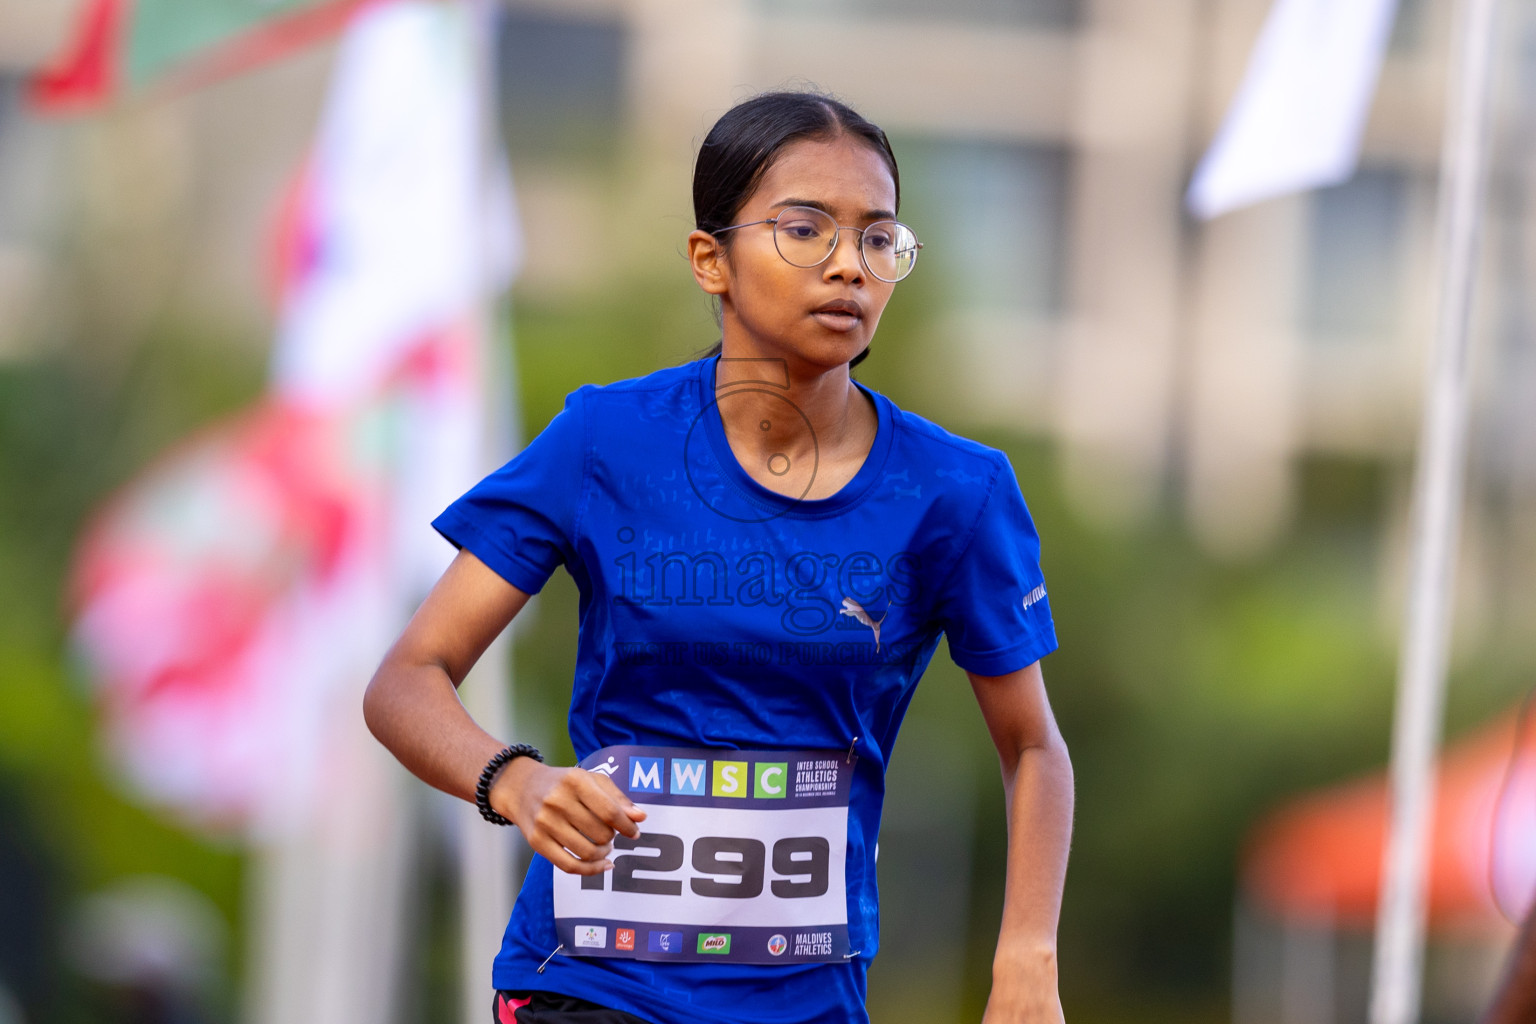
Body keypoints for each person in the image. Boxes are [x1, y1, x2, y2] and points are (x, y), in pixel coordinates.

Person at [364, 90, 1072, 1024]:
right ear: (712, 260)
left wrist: (1027, 956)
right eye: (805, 229)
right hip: (589, 982)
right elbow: (407, 680)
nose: (848, 266)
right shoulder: (606, 441)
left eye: (877, 237)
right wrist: (518, 782)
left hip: (806, 998)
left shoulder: (956, 491)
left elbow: (1033, 748)